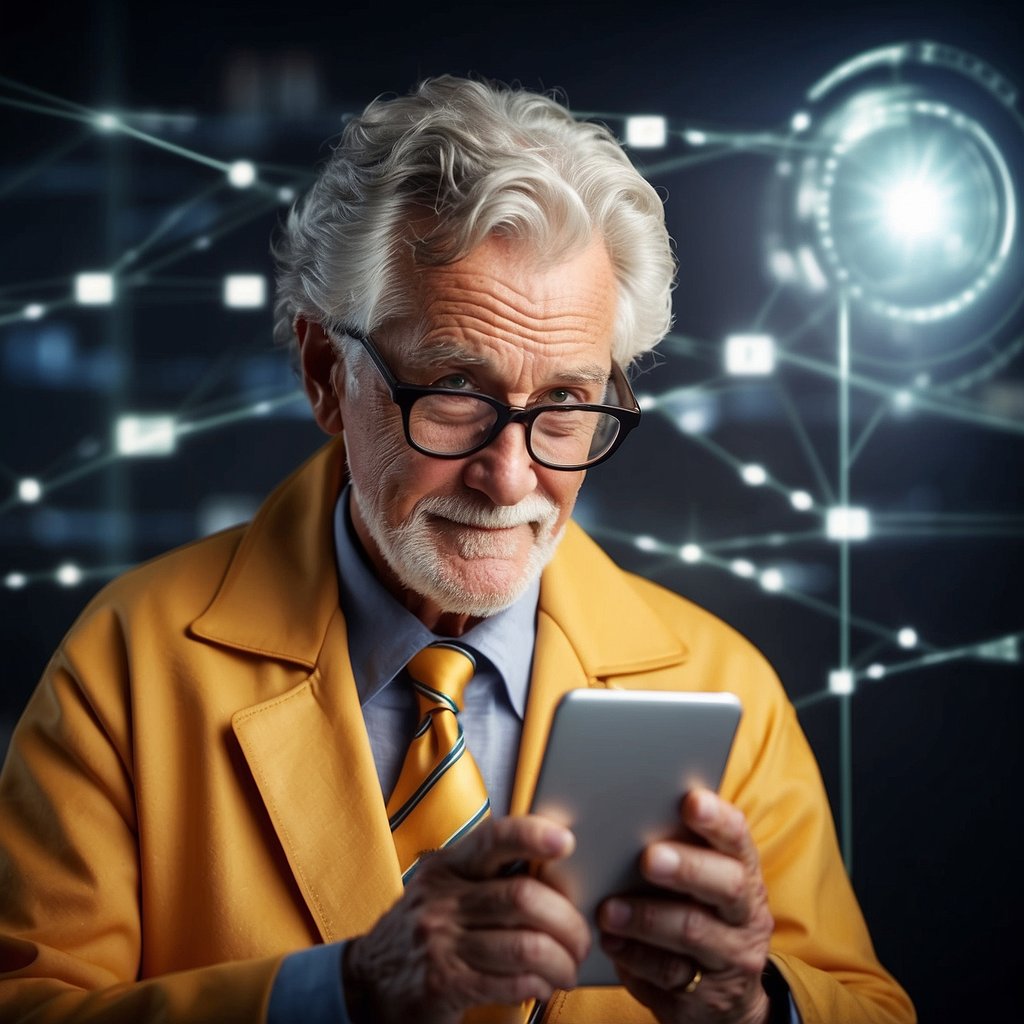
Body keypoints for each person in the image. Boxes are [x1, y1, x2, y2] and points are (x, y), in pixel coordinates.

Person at [0, 74, 915, 1024]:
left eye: (565, 405)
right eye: (456, 392)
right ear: (325, 372)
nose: (510, 478)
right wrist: (347, 992)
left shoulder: (729, 692)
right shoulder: (127, 664)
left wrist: (757, 1006)